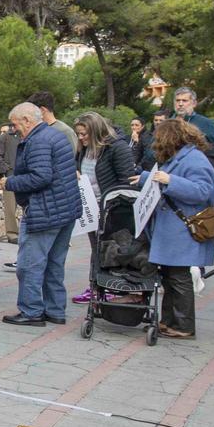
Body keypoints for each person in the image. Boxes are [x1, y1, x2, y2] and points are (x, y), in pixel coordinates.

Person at [0, 102, 78, 326]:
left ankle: (31, 311)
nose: (14, 129)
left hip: (45, 211)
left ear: (27, 121)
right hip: (65, 210)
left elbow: (41, 176)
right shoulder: (55, 135)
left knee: (29, 264)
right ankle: (55, 311)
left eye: (15, 124)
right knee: (54, 264)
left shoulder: (38, 141)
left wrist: (8, 182)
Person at [144, 116, 214, 339]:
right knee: (170, 276)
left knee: (179, 277)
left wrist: (170, 181)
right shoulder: (181, 157)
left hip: (183, 229)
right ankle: (168, 321)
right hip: (174, 229)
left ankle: (184, 325)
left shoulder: (194, 159)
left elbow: (202, 191)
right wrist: (145, 178)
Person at [70, 112, 138, 305]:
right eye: (79, 134)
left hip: (114, 210)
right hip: (91, 208)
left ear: (97, 132)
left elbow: (127, 180)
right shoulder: (83, 150)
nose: (81, 137)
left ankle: (117, 287)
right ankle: (96, 285)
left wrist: (112, 204)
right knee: (97, 248)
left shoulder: (117, 148)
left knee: (116, 250)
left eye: (84, 134)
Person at [172, 86, 214, 166]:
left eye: (184, 101)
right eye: (178, 100)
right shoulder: (168, 123)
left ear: (194, 103)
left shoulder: (206, 123)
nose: (180, 104)